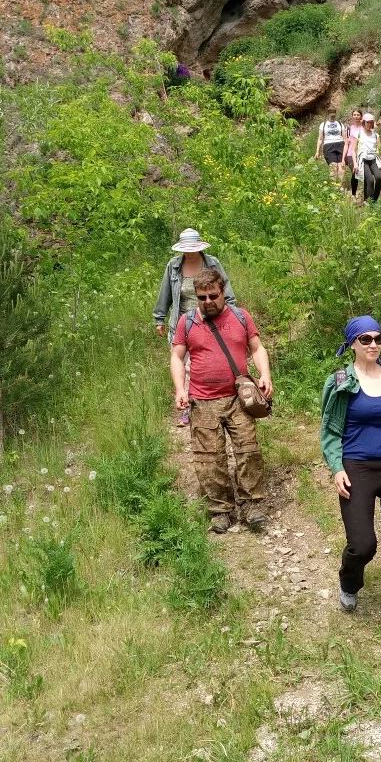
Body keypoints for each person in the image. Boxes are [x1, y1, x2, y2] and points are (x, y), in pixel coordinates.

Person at [320, 316, 381, 648]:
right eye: (365, 339)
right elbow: (330, 432)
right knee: (363, 544)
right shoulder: (339, 383)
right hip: (356, 468)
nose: (374, 344)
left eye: (378, 338)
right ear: (352, 345)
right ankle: (349, 580)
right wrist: (337, 468)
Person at [172, 268, 273, 533]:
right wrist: (179, 389)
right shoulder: (187, 322)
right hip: (202, 401)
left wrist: (265, 375)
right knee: (208, 459)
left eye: (213, 296)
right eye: (202, 297)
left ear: (223, 292)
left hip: (239, 398)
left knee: (248, 450)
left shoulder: (241, 317)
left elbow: (257, 347)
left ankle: (252, 505)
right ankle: (220, 509)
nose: (208, 302)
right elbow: (176, 356)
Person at [154, 228, 236, 426]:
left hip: (210, 320)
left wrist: (232, 314)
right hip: (182, 322)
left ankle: (209, 402)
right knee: (181, 364)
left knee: (199, 365)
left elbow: (226, 291)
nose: (189, 252)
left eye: (193, 248)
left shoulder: (212, 263)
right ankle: (186, 405)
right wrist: (159, 318)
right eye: (186, 249)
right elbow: (165, 291)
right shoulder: (174, 266)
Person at [356, 113, 381, 204]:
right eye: (367, 122)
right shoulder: (359, 134)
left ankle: (374, 200)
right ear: (364, 123)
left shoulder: (376, 135)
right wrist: (355, 163)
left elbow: (380, 150)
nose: (369, 124)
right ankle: (368, 202)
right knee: (370, 180)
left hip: (373, 159)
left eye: (371, 122)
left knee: (379, 177)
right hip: (363, 160)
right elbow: (353, 149)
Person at [315, 108, 346, 181]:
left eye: (334, 113)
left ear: (335, 113)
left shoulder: (340, 124)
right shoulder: (323, 125)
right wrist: (317, 151)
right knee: (333, 166)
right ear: (328, 114)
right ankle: (334, 187)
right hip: (328, 145)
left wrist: (346, 148)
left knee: (341, 167)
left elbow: (344, 138)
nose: (332, 115)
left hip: (340, 144)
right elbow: (320, 139)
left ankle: (340, 187)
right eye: (331, 113)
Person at [342, 107, 363, 200]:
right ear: (352, 116)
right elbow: (346, 144)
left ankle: (363, 193)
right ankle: (354, 194)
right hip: (350, 154)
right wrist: (343, 159)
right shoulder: (349, 129)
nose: (356, 116)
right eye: (354, 115)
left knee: (362, 173)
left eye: (358, 115)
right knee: (355, 172)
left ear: (361, 116)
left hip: (362, 153)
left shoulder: (365, 127)